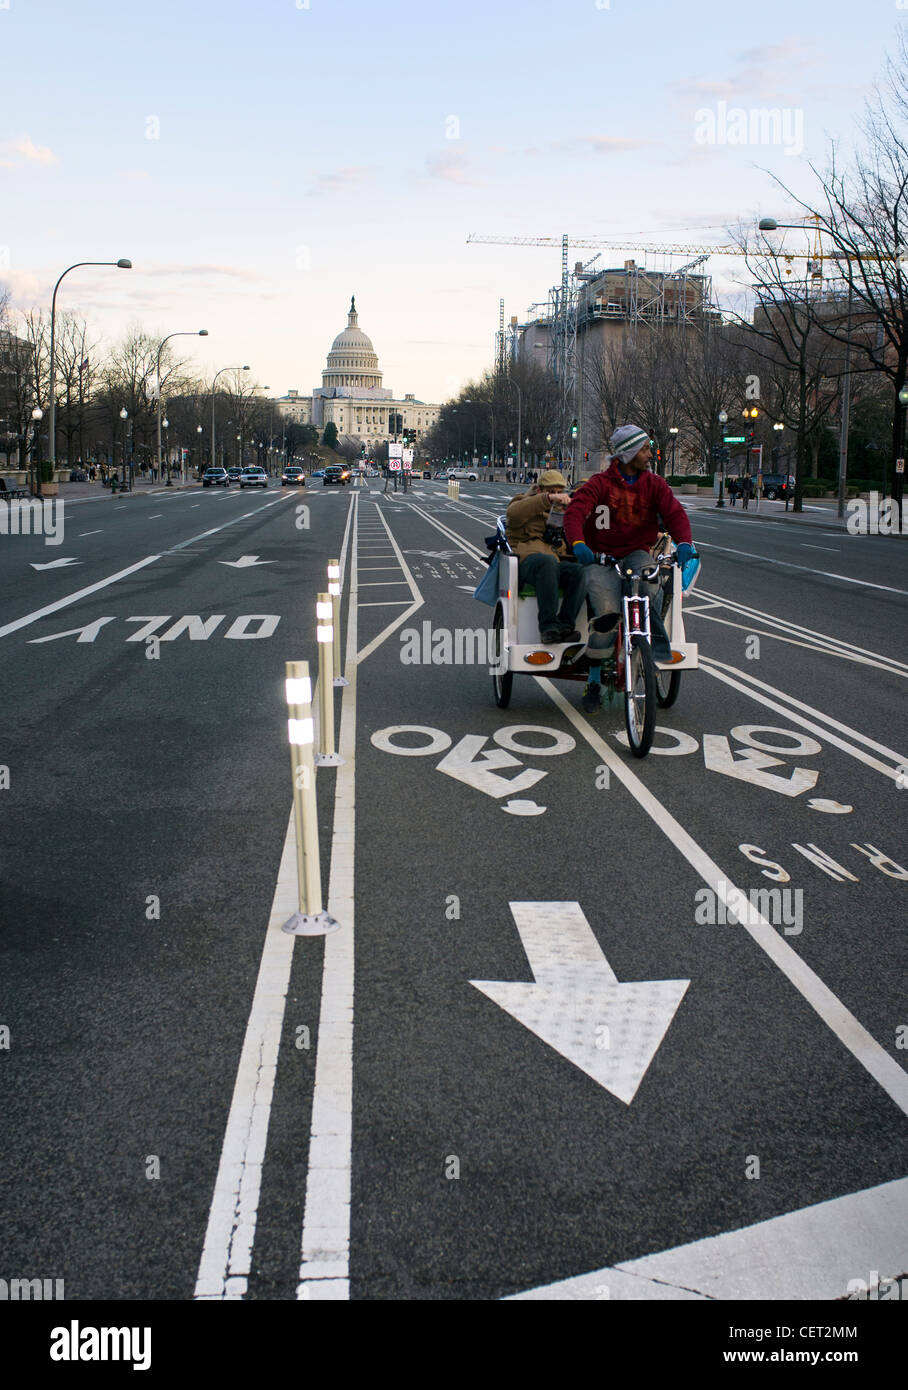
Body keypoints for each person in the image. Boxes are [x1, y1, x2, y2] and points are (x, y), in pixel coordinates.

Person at [563, 424, 699, 713]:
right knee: (607, 611)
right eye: (645, 449)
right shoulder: (600, 484)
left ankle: (650, 643)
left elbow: (674, 513)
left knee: (651, 583)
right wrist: (578, 543)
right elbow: (576, 511)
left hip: (636, 553)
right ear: (628, 454)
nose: (650, 454)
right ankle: (596, 679)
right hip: (601, 557)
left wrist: (685, 542)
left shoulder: (655, 485)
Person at [505, 468, 585, 643]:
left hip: (555, 560)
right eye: (551, 491)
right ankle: (548, 627)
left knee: (579, 571)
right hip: (528, 560)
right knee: (547, 562)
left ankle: (565, 626)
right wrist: (547, 500)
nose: (556, 495)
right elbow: (513, 515)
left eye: (559, 492)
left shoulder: (562, 510)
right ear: (540, 490)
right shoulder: (523, 502)